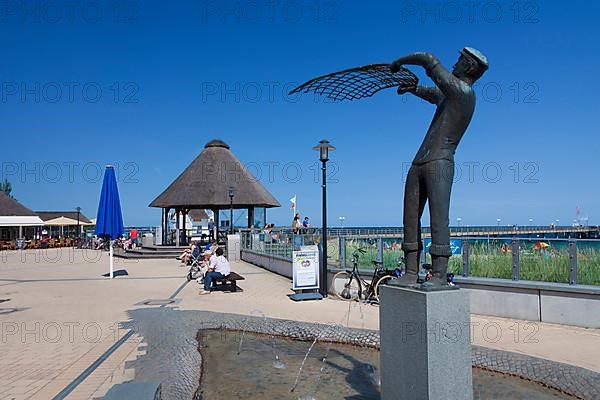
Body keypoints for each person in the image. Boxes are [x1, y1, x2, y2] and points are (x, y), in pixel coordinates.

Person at [391, 47, 489, 287]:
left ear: (470, 67)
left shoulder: (464, 93)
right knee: (410, 217)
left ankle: (439, 274)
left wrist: (398, 61)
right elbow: (432, 94)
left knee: (438, 218)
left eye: (460, 60)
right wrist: (413, 89)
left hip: (440, 162)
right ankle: (411, 271)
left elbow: (427, 59)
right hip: (420, 161)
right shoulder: (449, 95)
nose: (455, 63)